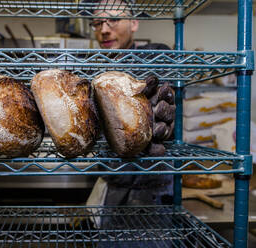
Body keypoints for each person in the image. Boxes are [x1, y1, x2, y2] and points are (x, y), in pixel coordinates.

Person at [84, 0, 176, 246]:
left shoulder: (154, 57)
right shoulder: (95, 70)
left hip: (152, 192)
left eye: (113, 20)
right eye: (97, 23)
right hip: (113, 187)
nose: (104, 29)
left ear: (134, 23)